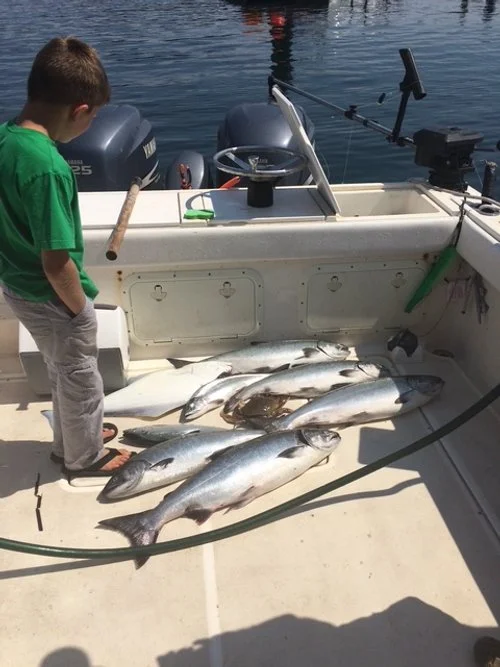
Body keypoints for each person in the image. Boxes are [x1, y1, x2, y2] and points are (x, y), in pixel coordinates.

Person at [0, 36, 133, 477]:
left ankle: (76, 436)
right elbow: (57, 262)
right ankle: (84, 455)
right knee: (80, 377)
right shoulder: (49, 168)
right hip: (53, 297)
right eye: (92, 118)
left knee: (61, 370)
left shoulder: (7, 140)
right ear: (80, 110)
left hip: (17, 286)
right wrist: (80, 311)